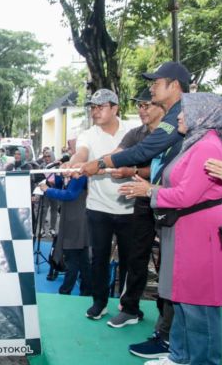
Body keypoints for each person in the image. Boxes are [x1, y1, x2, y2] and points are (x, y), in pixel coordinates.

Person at [80, 62, 191, 358]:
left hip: (184, 208)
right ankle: (166, 336)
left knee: (177, 275)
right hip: (164, 205)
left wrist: (103, 164)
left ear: (175, 85)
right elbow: (132, 152)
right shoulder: (172, 116)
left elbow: (144, 153)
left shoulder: (183, 113)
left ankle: (171, 342)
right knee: (166, 271)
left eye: (156, 83)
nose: (151, 90)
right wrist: (94, 163)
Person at [119, 93, 222, 365]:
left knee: (199, 305)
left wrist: (149, 191)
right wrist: (152, 190)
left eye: (184, 112)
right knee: (183, 300)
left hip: (201, 233)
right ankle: (180, 356)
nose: (178, 116)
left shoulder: (207, 146)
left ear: (202, 115)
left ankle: (202, 360)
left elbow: (186, 196)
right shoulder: (195, 142)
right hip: (188, 229)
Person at [66, 89, 136, 320]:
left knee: (130, 260)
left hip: (130, 208)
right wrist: (73, 164)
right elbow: (81, 154)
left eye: (100, 107)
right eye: (92, 107)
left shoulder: (132, 131)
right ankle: (99, 302)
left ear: (115, 108)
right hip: (98, 208)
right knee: (98, 258)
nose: (95, 112)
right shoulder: (88, 134)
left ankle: (128, 307)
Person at [107, 90, 166, 328]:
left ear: (162, 106)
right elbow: (117, 155)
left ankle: (167, 316)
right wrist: (90, 164)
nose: (142, 110)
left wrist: (132, 171)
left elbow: (160, 169)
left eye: (147, 105)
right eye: (139, 106)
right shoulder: (136, 133)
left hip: (169, 201)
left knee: (169, 261)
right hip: (142, 200)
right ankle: (130, 308)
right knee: (136, 255)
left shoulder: (173, 133)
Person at [40, 174, 91, 296]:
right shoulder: (72, 176)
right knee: (83, 260)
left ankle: (65, 291)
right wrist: (56, 176)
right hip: (75, 220)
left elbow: (69, 194)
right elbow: (59, 186)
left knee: (72, 258)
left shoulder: (80, 176)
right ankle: (87, 291)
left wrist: (48, 190)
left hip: (75, 222)